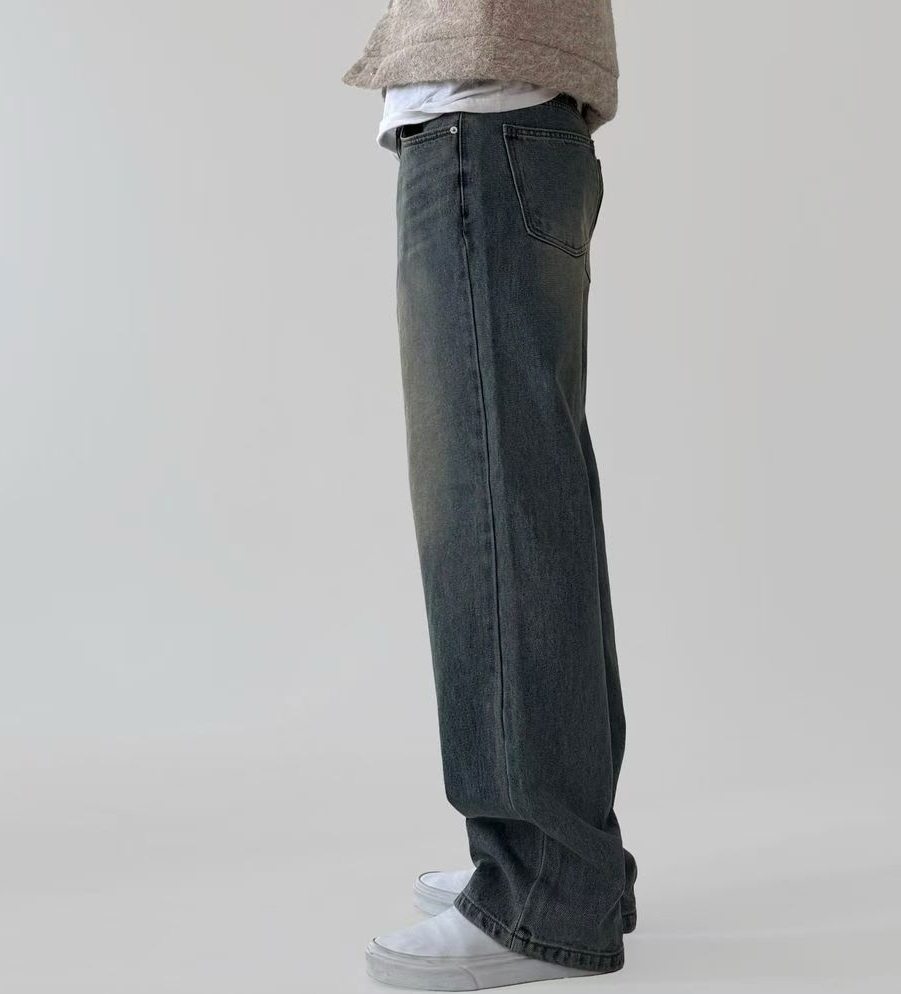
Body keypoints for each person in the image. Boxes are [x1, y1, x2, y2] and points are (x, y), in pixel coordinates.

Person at [342, 2, 637, 988]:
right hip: (512, 135)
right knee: (531, 507)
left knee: (494, 518)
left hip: (484, 129)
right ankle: (574, 867)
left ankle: (542, 885)